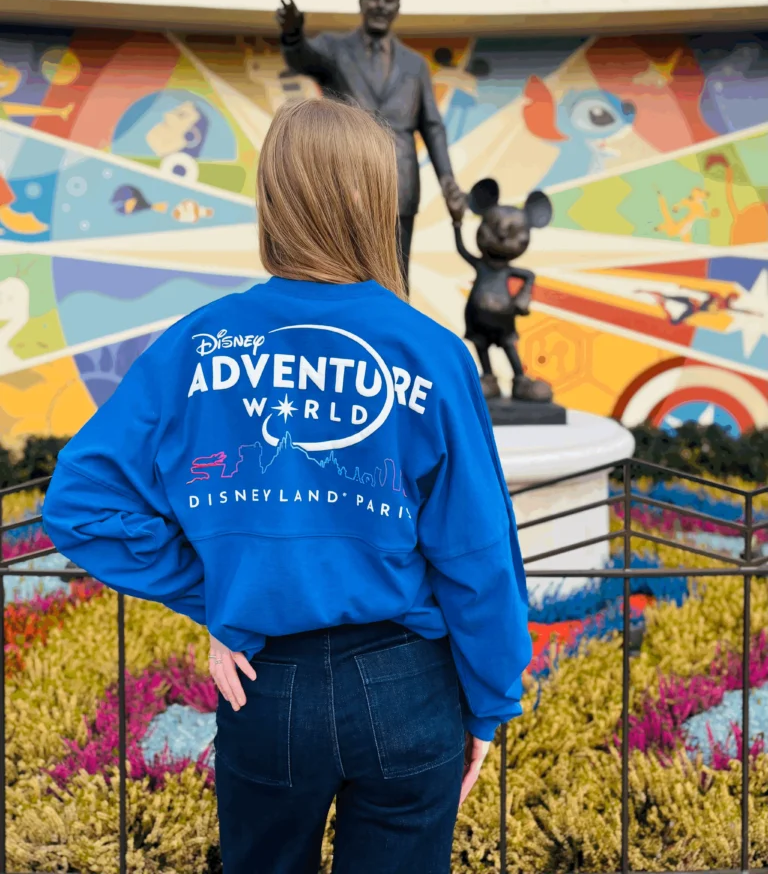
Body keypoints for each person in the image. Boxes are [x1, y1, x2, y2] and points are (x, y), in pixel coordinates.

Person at [42, 97, 531, 874]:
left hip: (265, 686)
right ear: (377, 202)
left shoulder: (199, 345)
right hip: (407, 688)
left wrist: (223, 597)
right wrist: (491, 701)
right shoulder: (432, 353)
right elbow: (477, 554)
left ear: (272, 199)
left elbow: (80, 505)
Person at [277, 0, 467, 291]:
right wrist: (293, 34)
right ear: (361, 2)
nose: (381, 5)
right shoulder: (334, 48)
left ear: (398, 8)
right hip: (345, 179)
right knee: (344, 275)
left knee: (397, 280)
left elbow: (432, 126)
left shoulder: (415, 64)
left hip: (400, 185)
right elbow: (302, 58)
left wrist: (447, 180)